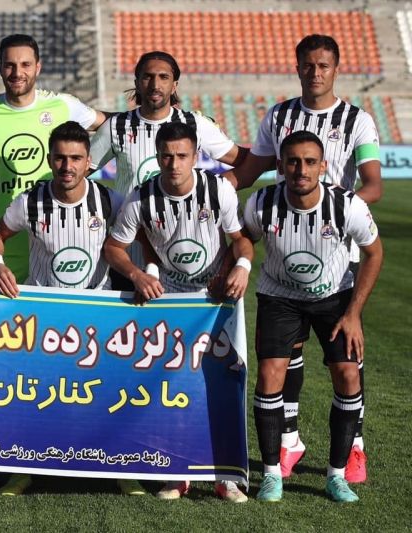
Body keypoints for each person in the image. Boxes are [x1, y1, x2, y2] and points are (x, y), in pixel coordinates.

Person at [228, 34, 381, 483]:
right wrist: (206, 187)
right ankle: (289, 439)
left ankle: (355, 447)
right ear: (297, 68)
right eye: (308, 65)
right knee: (285, 356)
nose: (315, 73)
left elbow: (372, 182)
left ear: (336, 69)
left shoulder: (357, 120)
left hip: (338, 253)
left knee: (346, 359)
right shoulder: (279, 116)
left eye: (323, 65)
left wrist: (334, 209)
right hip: (285, 248)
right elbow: (249, 172)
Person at [103, 122, 253, 503]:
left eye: (182, 156)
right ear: (157, 156)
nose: (174, 164)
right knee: (171, 388)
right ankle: (177, 473)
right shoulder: (141, 198)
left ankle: (225, 476)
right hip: (169, 304)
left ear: (196, 156)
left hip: (216, 301)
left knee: (221, 385)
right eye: (167, 156)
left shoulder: (218, 190)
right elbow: (114, 248)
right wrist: (138, 274)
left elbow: (240, 240)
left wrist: (240, 267)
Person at [0, 122, 128, 496]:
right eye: (61, 158)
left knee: (104, 395)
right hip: (45, 319)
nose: (68, 166)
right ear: (50, 159)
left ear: (88, 161)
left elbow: (135, 238)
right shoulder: (30, 202)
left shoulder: (110, 201)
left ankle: (119, 470)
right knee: (35, 395)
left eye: (76, 158)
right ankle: (23, 469)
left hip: (97, 317)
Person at [243, 131, 382, 502]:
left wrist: (354, 313)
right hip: (279, 297)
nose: (300, 170)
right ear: (279, 165)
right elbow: (243, 238)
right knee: (270, 374)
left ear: (323, 166)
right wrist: (237, 266)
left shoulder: (347, 206)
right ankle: (272, 474)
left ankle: (336, 476)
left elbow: (374, 253)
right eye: (292, 161)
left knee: (348, 375)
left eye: (309, 162)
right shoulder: (261, 203)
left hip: (334, 298)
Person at [0, 33, 106, 282]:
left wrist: (90, 165)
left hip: (53, 246)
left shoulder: (62, 106)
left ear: (38, 67)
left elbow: (111, 126)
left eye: (25, 64)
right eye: (10, 65)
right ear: (0, 67)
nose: (17, 72)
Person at [90, 50, 246, 290]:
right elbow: (76, 173)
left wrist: (221, 186)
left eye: (163, 77)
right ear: (137, 83)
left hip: (184, 263)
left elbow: (245, 160)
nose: (155, 84)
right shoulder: (116, 127)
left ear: (175, 85)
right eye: (148, 77)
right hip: (130, 259)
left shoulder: (194, 124)